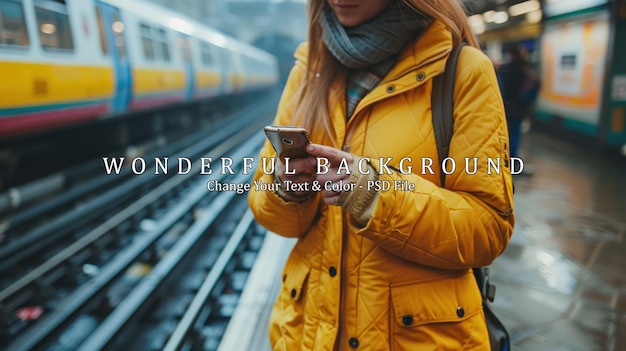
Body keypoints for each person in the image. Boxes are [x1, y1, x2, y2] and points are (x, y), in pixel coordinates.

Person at [248, 0, 515, 350]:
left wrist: (376, 196)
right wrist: (288, 189)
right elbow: (275, 216)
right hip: (308, 335)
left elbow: (488, 228)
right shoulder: (307, 72)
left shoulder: (462, 70)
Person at [498, 44, 540, 160]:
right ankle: (513, 159)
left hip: (507, 107)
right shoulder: (525, 69)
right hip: (520, 107)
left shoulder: (507, 69)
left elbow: (504, 90)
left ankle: (505, 158)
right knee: (515, 134)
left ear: (511, 55)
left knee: (506, 134)